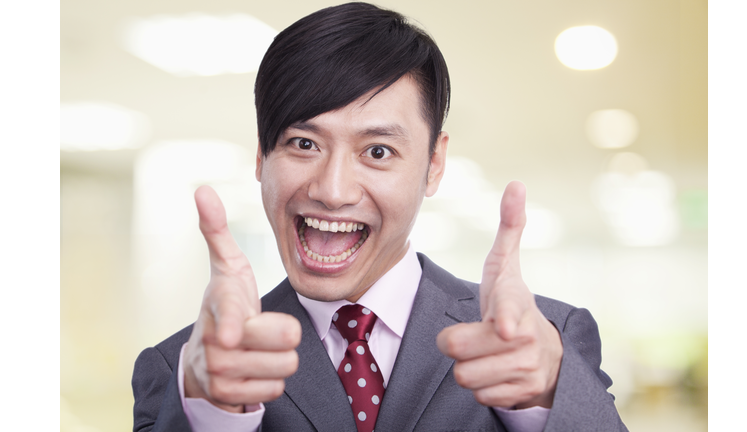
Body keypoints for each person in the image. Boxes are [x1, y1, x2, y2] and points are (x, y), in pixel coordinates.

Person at [132, 3, 627, 431]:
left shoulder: (545, 342)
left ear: (433, 165)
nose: (332, 190)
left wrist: (545, 399)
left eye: (377, 151)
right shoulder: (184, 371)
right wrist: (210, 415)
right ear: (261, 157)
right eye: (303, 144)